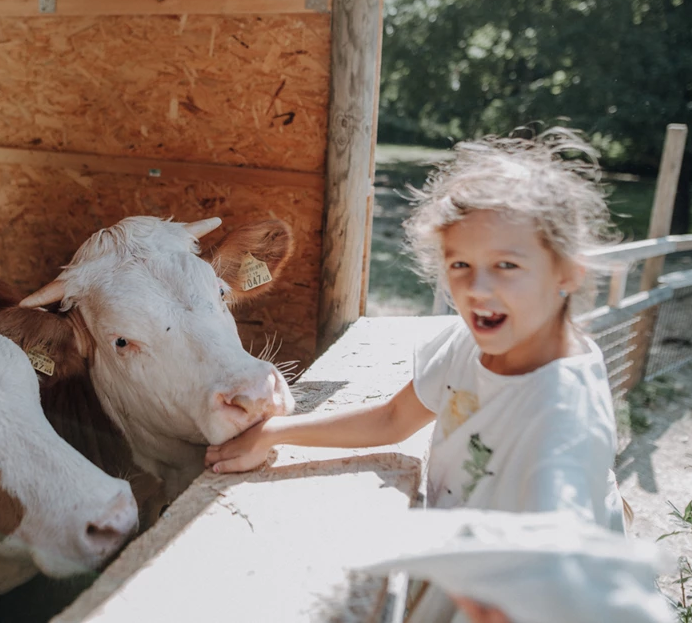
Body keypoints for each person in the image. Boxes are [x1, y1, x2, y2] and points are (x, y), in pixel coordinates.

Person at [205, 128, 626, 621]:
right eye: (461, 263)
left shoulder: (564, 414)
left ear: (568, 272)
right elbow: (393, 419)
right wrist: (275, 431)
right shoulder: (468, 345)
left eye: (506, 265)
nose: (477, 288)